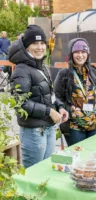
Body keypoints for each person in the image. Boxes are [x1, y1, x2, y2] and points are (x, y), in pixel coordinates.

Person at [8, 25, 68, 168]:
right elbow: (21, 104)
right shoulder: (22, 70)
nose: (39, 47)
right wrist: (49, 111)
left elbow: (49, 94)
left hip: (48, 129)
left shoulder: (40, 66)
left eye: (42, 43)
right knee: (34, 176)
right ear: (26, 47)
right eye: (34, 43)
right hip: (34, 133)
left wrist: (59, 107)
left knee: (46, 171)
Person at [54, 38, 96, 146]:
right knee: (78, 158)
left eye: (83, 52)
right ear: (71, 54)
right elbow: (57, 96)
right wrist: (65, 109)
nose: (80, 55)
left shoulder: (95, 72)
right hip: (74, 127)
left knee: (93, 157)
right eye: (77, 52)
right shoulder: (64, 74)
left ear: (87, 54)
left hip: (94, 125)